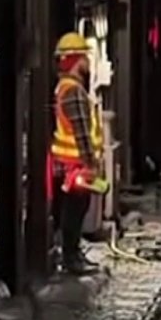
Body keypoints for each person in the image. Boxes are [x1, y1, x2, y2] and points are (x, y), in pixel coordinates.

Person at [49, 32, 107, 275]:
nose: (87, 61)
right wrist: (91, 162)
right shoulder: (73, 91)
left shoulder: (64, 87)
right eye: (83, 56)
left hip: (68, 161)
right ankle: (72, 258)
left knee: (71, 209)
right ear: (75, 59)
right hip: (76, 163)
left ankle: (71, 253)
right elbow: (81, 129)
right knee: (75, 210)